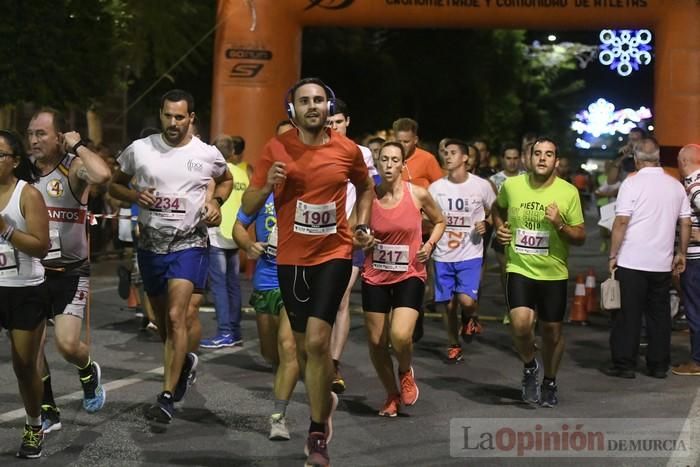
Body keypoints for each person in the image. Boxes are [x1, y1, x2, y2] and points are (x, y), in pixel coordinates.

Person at [241, 77, 373, 467]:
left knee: (317, 342)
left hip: (333, 253)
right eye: (305, 101)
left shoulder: (347, 150)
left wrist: (361, 226)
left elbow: (366, 188)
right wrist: (267, 183)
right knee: (300, 349)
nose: (313, 106)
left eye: (319, 100)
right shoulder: (276, 148)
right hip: (291, 260)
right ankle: (322, 400)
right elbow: (248, 205)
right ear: (292, 110)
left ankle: (317, 432)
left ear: (328, 107)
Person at [109, 89, 233, 423]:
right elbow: (113, 185)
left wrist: (215, 203)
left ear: (191, 118)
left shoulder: (206, 154)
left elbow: (226, 180)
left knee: (178, 316)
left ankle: (165, 396)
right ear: (161, 114)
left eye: (180, 117)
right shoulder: (140, 150)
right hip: (151, 245)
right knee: (163, 322)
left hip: (189, 243)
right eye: (168, 115)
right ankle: (186, 362)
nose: (173, 123)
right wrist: (135, 194)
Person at [27, 108, 111, 433]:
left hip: (71, 271)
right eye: (31, 133)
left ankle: (87, 369)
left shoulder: (73, 168)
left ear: (59, 136)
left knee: (66, 345)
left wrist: (78, 147)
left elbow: (103, 176)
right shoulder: (22, 171)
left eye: (41, 134)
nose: (34, 140)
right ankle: (48, 408)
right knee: (31, 346)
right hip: (32, 270)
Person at [493, 138, 585, 407]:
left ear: (556, 161)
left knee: (552, 332)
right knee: (520, 324)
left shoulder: (568, 192)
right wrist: (500, 227)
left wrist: (560, 225)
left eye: (549, 155)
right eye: (537, 154)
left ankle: (550, 381)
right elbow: (497, 208)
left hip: (553, 272)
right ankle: (530, 366)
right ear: (527, 158)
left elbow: (579, 236)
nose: (542, 159)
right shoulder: (511, 186)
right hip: (519, 266)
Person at [362, 141, 445, 415]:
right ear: (377, 162)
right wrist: (362, 238)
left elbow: (440, 220)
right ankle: (391, 394)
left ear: (402, 165)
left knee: (399, 335)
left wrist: (429, 245)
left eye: (394, 160)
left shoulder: (418, 194)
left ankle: (406, 370)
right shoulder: (369, 196)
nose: (388, 165)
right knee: (376, 342)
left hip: (409, 273)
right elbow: (352, 229)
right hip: (375, 275)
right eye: (383, 159)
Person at [606, 138, 690, 379]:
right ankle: (658, 364)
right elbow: (685, 222)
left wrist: (613, 254)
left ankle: (625, 364)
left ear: (637, 159)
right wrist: (680, 252)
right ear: (658, 158)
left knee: (628, 315)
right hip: (661, 263)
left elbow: (621, 221)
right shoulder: (675, 185)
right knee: (659, 315)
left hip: (632, 260)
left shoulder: (631, 184)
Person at [0, 130, 50, 458]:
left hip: (24, 291)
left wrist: (5, 229)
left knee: (23, 365)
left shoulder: (27, 194)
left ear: (14, 161)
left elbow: (41, 247)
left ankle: (34, 424)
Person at [233, 192, 299, 440]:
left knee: (287, 345)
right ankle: (284, 379)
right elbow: (238, 226)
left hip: (296, 279)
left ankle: (278, 416)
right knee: (271, 354)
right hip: (266, 278)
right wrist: (248, 244)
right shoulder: (261, 195)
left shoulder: (309, 193)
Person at [326, 98, 378, 394]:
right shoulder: (315, 149)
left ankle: (333, 363)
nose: (333, 127)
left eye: (338, 122)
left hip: (349, 235)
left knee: (342, 298)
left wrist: (359, 226)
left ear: (348, 122)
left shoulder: (362, 154)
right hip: (318, 235)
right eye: (329, 122)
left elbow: (366, 193)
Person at [429, 139, 495, 363]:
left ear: (465, 158)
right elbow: (425, 215)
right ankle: (453, 343)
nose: (447, 156)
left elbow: (494, 212)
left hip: (470, 253)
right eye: (445, 152)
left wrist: (486, 222)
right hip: (443, 254)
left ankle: (470, 317)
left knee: (466, 301)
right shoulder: (436, 187)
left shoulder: (481, 185)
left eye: (453, 152)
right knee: (447, 304)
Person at [392, 118, 443, 342]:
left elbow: (441, 187)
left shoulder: (427, 159)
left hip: (422, 228)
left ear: (415, 140)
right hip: (394, 228)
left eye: (406, 141)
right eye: (398, 140)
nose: (402, 146)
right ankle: (398, 321)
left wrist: (427, 207)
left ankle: (415, 315)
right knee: (394, 273)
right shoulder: (391, 158)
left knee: (415, 274)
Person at [199, 134, 247, 348]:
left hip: (216, 234)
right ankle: (235, 331)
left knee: (219, 286)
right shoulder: (243, 174)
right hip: (235, 235)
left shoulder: (213, 174)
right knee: (233, 285)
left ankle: (225, 332)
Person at [490, 145, 524, 323]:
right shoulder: (494, 180)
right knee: (507, 273)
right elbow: (490, 208)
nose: (512, 161)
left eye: (515, 158)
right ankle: (510, 307)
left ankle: (524, 308)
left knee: (522, 275)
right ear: (503, 159)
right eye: (508, 158)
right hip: (501, 235)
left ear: (520, 159)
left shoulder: (527, 179)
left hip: (523, 236)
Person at [674, 144, 700, 376]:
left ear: (683, 162)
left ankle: (697, 360)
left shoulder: (695, 185)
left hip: (696, 260)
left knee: (695, 309)